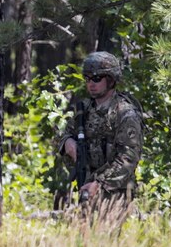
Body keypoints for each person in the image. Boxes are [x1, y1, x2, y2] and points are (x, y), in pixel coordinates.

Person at [55, 51, 143, 217]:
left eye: (96, 78)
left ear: (110, 80)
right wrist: (67, 142)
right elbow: (62, 133)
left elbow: (128, 159)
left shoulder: (124, 114)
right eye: (87, 79)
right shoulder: (84, 110)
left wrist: (100, 183)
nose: (91, 84)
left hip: (117, 195)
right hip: (86, 189)